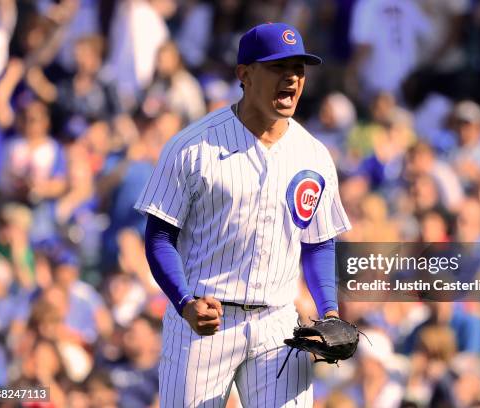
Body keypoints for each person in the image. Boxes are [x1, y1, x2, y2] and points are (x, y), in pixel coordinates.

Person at [134, 22, 351, 407]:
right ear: (244, 75)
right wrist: (184, 303)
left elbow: (318, 243)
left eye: (298, 68)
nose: (291, 77)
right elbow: (159, 237)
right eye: (277, 67)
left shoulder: (314, 154)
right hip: (204, 320)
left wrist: (329, 311)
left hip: (278, 324)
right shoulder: (192, 146)